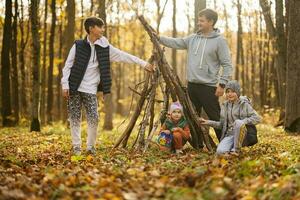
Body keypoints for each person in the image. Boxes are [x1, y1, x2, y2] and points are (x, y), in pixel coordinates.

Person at [61, 17, 154, 156]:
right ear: (91, 28)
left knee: (94, 118)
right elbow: (67, 66)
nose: (103, 30)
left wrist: (144, 64)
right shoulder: (78, 45)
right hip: (74, 87)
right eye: (100, 27)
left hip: (90, 89)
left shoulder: (105, 48)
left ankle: (90, 147)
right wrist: (65, 85)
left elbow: (124, 56)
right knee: (75, 118)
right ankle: (76, 147)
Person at [153, 8, 233, 143]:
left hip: (209, 87)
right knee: (191, 116)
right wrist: (159, 38)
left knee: (215, 117)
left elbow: (227, 65)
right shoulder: (193, 38)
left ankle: (226, 144)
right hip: (192, 86)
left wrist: (222, 84)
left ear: (211, 22)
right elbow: (177, 42)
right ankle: (197, 143)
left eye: (202, 21)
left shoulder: (220, 41)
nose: (199, 23)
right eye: (199, 20)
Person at [199, 80, 261, 155]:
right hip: (230, 134)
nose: (230, 94)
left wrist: (243, 121)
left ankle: (236, 150)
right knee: (220, 152)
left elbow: (257, 118)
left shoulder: (244, 104)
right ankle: (231, 151)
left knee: (238, 122)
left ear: (237, 92)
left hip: (244, 134)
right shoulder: (225, 106)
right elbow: (221, 125)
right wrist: (207, 122)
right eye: (228, 92)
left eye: (232, 92)